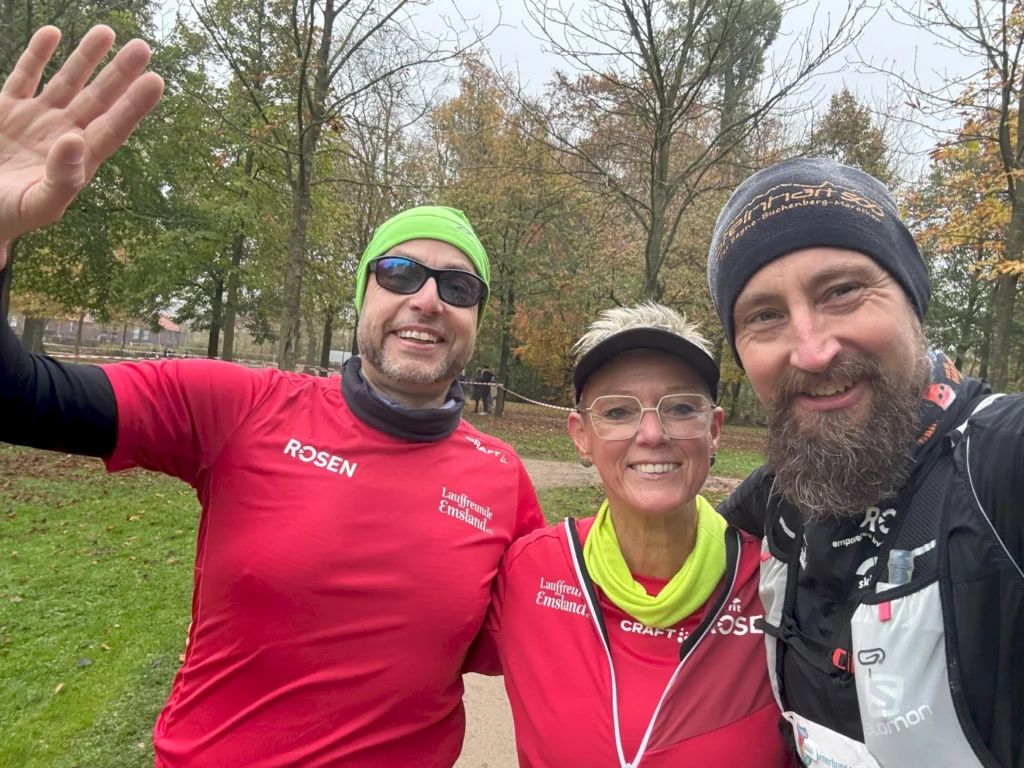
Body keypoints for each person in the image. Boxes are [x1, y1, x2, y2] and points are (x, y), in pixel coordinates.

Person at [0, 26, 544, 767]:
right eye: (398, 273)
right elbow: (19, 395)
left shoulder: (503, 481)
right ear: (363, 295)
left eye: (458, 286)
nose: (426, 299)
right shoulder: (241, 405)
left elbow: (557, 639)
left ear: (477, 317)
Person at [707, 157, 1024, 768]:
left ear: (912, 299)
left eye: (843, 291)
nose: (812, 350)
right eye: (765, 316)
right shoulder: (778, 494)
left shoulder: (1000, 463)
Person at [467, 304, 792, 767]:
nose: (652, 434)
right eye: (618, 411)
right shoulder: (529, 572)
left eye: (681, 408)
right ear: (581, 436)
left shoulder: (775, 586)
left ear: (714, 430)